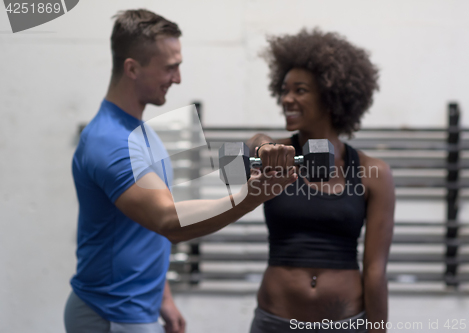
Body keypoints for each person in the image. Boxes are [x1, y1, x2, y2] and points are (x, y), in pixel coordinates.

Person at [64, 9, 297, 333]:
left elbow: (142, 230)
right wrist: (248, 197)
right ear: (132, 68)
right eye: (170, 68)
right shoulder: (110, 141)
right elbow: (167, 220)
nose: (177, 78)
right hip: (111, 313)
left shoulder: (141, 132)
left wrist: (164, 297)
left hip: (137, 308)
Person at [247, 29, 395, 332]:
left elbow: (376, 270)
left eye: (300, 90)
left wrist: (378, 329)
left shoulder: (373, 172)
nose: (287, 99)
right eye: (284, 90)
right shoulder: (276, 156)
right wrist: (263, 145)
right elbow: (255, 144)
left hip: (345, 323)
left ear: (331, 97)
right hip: (275, 322)